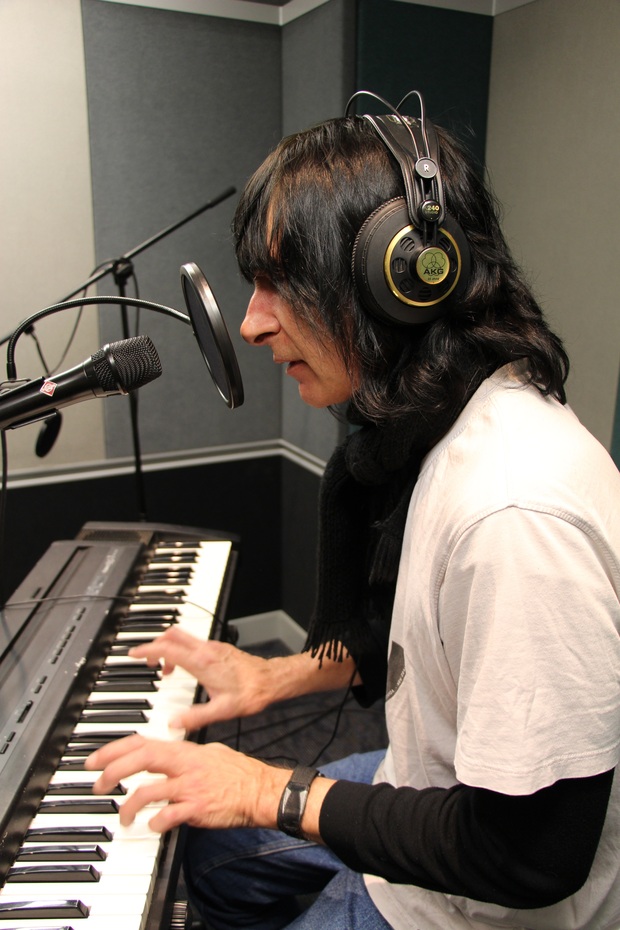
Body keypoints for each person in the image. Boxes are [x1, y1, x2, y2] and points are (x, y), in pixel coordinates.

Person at [86, 93, 620, 930]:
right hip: (425, 778)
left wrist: (270, 790)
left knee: (232, 812)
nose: (252, 323)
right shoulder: (443, 429)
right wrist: (276, 676)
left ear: (400, 279)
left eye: (280, 283)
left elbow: (528, 855)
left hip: (474, 901)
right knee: (208, 848)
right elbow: (418, 647)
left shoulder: (513, 515)